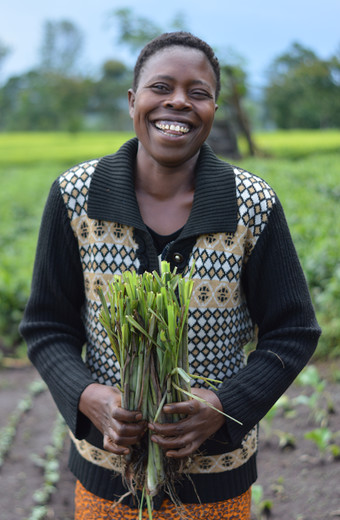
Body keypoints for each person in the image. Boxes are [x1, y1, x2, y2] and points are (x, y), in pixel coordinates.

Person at [20, 32, 321, 520]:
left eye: (197, 92)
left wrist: (223, 406)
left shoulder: (253, 205)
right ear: (133, 100)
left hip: (215, 482)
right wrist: (87, 396)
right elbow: (46, 326)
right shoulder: (75, 196)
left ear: (214, 109)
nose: (178, 102)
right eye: (162, 87)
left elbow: (293, 332)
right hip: (106, 475)